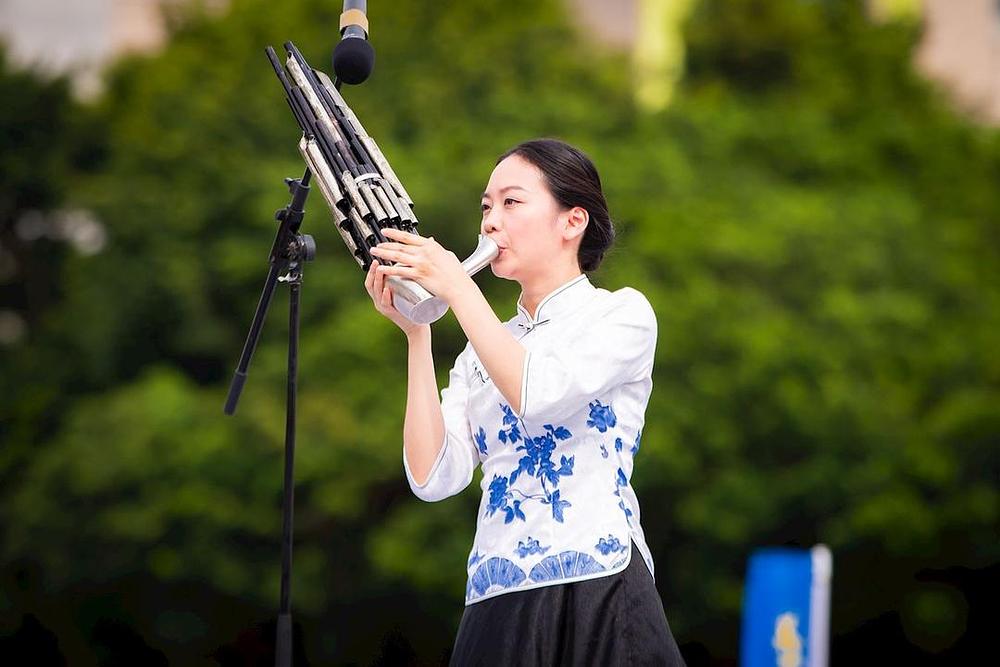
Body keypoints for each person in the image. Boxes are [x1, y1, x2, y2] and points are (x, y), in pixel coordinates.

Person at [364, 138, 685, 666]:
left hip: (596, 580)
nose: (491, 222)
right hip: (497, 588)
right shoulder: (480, 348)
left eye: (512, 203)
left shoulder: (621, 315)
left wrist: (456, 289)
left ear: (572, 222)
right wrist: (417, 334)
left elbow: (538, 393)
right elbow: (432, 477)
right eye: (486, 206)